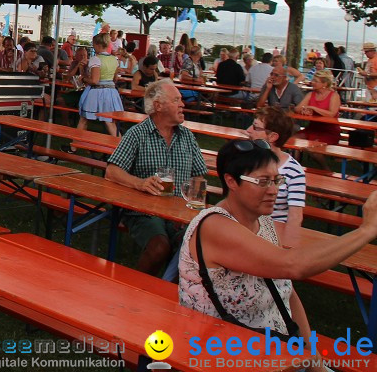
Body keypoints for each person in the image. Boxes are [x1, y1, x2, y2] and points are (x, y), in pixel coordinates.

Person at [178, 138, 377, 347]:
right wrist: (366, 231)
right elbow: (292, 266)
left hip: (274, 347)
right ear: (231, 181)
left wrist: (312, 356)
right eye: (263, 182)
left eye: (277, 180)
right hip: (221, 352)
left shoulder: (262, 221)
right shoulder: (214, 226)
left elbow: (285, 289)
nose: (274, 190)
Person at [106, 80, 207, 275]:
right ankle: (138, 289)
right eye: (176, 100)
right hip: (144, 211)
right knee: (159, 248)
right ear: (158, 106)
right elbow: (112, 171)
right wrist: (140, 183)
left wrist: (192, 210)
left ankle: (170, 290)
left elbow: (199, 175)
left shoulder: (187, 136)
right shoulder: (137, 134)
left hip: (179, 211)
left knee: (194, 247)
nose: (183, 104)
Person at [245, 107, 306, 249]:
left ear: (272, 137)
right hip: (245, 230)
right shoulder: (247, 162)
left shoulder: (294, 171)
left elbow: (295, 216)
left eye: (256, 127)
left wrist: (285, 248)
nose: (248, 130)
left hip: (273, 236)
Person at [77, 33, 123, 135]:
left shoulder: (95, 59)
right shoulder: (114, 59)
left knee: (84, 119)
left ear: (97, 44)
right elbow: (115, 79)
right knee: (110, 121)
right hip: (111, 92)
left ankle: (74, 146)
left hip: (96, 92)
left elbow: (94, 80)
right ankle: (122, 147)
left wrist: (83, 78)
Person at [296, 69, 341, 145]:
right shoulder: (311, 94)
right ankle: (295, 157)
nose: (312, 82)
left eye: (315, 81)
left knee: (314, 148)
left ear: (325, 84)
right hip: (312, 129)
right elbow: (297, 108)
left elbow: (331, 114)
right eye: (313, 80)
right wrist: (304, 111)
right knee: (292, 140)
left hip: (329, 131)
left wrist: (313, 108)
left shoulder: (334, 95)